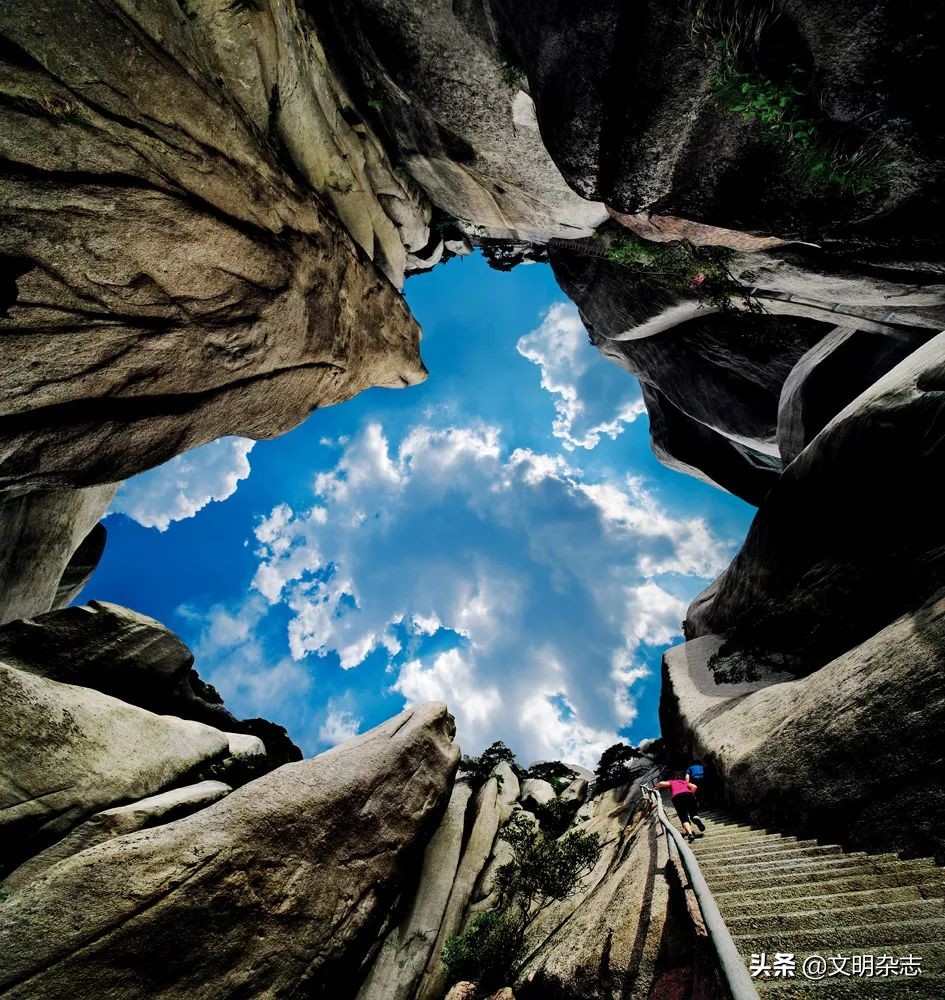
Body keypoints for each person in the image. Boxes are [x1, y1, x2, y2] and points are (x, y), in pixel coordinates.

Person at [656, 771, 706, 842]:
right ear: (678, 777)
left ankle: (690, 834)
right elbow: (694, 786)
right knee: (693, 812)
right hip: (688, 795)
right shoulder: (683, 782)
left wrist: (656, 788)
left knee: (683, 817)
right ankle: (695, 817)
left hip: (677, 797)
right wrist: (690, 793)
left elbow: (661, 783)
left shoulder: (671, 782)